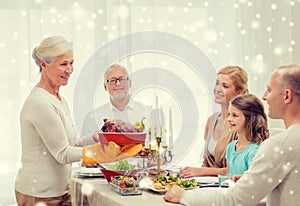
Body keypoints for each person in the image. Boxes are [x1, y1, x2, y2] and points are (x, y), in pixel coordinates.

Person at [14, 36, 140, 206]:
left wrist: (95, 137)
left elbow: (71, 143)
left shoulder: (58, 99)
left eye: (71, 63)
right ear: (43, 64)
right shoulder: (40, 103)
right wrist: (105, 152)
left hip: (61, 190)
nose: (70, 70)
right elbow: (63, 154)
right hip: (39, 194)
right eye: (63, 64)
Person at [164, 64, 300, 205]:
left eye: (269, 90)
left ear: (286, 96)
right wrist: (250, 179)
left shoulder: (278, 146)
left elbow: (234, 199)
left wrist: (183, 196)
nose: (264, 97)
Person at [180, 66, 248, 178]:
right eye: (217, 83)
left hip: (228, 186)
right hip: (208, 185)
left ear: (239, 92)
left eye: (225, 86)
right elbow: (206, 162)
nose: (217, 89)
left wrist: (201, 171)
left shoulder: (242, 125)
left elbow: (236, 169)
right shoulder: (212, 120)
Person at [81, 64, 151, 137]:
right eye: (112, 80)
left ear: (130, 83)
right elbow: (84, 147)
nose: (118, 83)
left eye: (122, 79)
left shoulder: (146, 112)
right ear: (105, 86)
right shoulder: (92, 118)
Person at [225, 94, 269, 176]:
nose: (229, 119)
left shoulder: (254, 151)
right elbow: (228, 175)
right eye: (229, 114)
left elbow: (252, 181)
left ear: (250, 119)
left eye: (235, 115)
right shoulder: (231, 147)